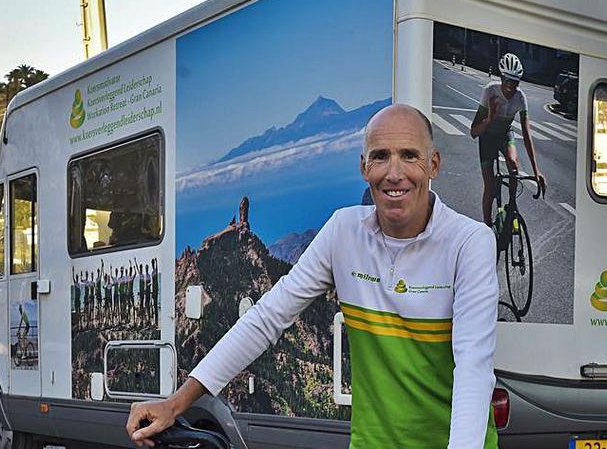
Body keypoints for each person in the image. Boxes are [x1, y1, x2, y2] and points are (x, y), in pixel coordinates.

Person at [127, 104, 500, 448]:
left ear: (433, 163)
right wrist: (177, 402)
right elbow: (267, 317)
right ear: (363, 167)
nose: (394, 173)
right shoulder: (344, 232)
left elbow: (473, 367)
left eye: (409, 156)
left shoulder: (469, 243)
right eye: (380, 157)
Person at [470, 53, 545, 228]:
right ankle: (487, 229)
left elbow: (526, 133)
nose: (510, 87)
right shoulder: (490, 91)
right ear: (501, 77)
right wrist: (489, 119)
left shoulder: (520, 98)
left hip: (504, 134)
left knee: (513, 165)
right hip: (487, 137)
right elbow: (474, 132)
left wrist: (536, 170)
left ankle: (511, 205)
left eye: (515, 82)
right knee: (489, 187)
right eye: (507, 81)